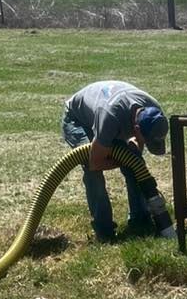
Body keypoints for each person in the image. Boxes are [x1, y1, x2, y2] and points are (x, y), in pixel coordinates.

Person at [61, 80, 170, 242]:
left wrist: (132, 159)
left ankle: (140, 221)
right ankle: (104, 231)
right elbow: (95, 162)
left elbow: (137, 151)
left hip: (110, 113)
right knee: (93, 172)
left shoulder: (153, 109)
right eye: (147, 141)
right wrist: (126, 160)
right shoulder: (110, 117)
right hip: (78, 118)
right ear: (137, 129)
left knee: (135, 163)